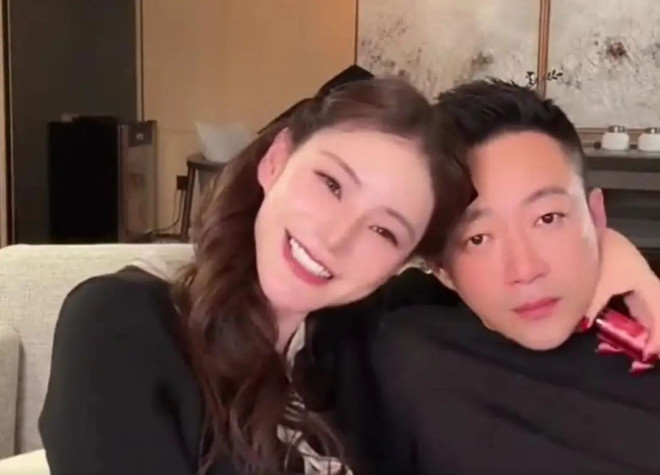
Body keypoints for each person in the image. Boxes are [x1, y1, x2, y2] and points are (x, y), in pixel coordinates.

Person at [38, 78, 474, 475]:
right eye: (331, 184)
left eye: (383, 232)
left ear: (399, 265)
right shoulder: (123, 324)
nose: (337, 238)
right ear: (276, 161)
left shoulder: (356, 359)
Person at [367, 80, 660, 474]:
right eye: (478, 238)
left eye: (548, 218)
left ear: (596, 216)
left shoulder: (646, 337)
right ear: (441, 268)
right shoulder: (404, 348)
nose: (525, 270)